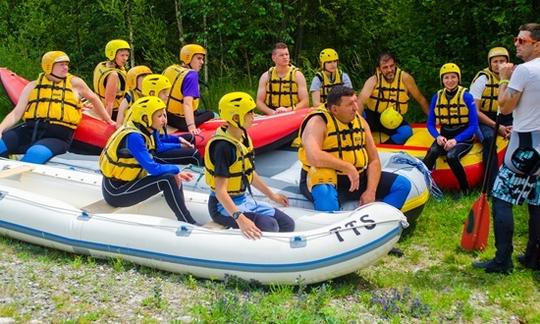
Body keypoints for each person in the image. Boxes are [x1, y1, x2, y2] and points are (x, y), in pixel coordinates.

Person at [474, 23, 540, 273]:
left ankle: (503, 259)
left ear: (536, 44)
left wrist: (504, 79)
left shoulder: (523, 71)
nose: (516, 44)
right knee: (536, 199)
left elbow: (504, 107)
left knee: (501, 195)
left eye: (522, 41)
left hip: (524, 141)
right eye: (516, 39)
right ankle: (534, 257)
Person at [298, 85, 412, 212]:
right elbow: (313, 156)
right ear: (335, 109)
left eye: (355, 102)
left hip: (357, 178)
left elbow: (374, 159)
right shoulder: (317, 122)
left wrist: (370, 191)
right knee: (325, 196)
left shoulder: (360, 121)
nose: (356, 108)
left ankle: (378, 219)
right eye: (350, 104)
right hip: (326, 178)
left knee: (402, 185)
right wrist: (347, 167)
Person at [204, 92, 294, 239]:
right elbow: (220, 191)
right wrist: (241, 219)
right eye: (249, 113)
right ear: (235, 118)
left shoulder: (243, 138)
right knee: (270, 226)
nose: (254, 115)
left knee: (287, 224)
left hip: (243, 199)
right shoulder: (223, 147)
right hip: (221, 207)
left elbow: (249, 173)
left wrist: (272, 195)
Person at [0, 51, 114, 164]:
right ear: (48, 66)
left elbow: (94, 99)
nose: (66, 68)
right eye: (61, 64)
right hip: (31, 130)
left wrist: (108, 120)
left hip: (58, 136)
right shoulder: (33, 86)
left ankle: (14, 177)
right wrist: (1, 128)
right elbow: (16, 113)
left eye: (67, 64)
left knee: (35, 154)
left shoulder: (75, 83)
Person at [99, 96, 197, 224]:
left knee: (171, 175)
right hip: (116, 192)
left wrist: (178, 143)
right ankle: (186, 221)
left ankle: (183, 213)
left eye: (164, 115)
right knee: (167, 179)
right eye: (159, 116)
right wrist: (176, 170)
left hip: (127, 183)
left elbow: (159, 145)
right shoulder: (134, 137)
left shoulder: (143, 128)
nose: (164, 119)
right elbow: (152, 168)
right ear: (145, 118)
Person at [423, 63, 479, 196]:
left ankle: (465, 190)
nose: (450, 80)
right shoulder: (437, 97)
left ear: (458, 78)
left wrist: (456, 140)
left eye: (453, 77)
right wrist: (437, 136)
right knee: (432, 152)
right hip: (444, 136)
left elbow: (474, 126)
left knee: (451, 156)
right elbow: (430, 124)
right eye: (446, 77)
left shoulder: (466, 96)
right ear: (442, 80)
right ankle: (423, 187)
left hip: (464, 137)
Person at [358, 53, 429, 144]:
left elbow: (421, 99)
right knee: (361, 116)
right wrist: (358, 124)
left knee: (406, 132)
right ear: (379, 69)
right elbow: (360, 102)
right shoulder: (373, 80)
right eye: (385, 67)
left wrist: (433, 121)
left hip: (394, 119)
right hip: (373, 116)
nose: (390, 70)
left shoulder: (405, 78)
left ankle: (386, 146)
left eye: (392, 66)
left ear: (395, 65)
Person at [470, 47, 513, 190]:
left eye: (502, 61)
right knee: (489, 139)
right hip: (484, 119)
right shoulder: (482, 79)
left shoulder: (514, 77)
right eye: (495, 61)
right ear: (490, 63)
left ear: (508, 62)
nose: (499, 64)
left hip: (508, 117)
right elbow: (474, 112)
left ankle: (519, 182)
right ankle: (491, 185)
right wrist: (497, 127)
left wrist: (516, 125)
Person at [141, 74, 201, 166]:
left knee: (190, 138)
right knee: (194, 154)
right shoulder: (148, 113)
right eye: (164, 92)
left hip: (156, 145)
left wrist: (179, 139)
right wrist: (180, 145)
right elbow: (158, 147)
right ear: (152, 93)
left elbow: (158, 138)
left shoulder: (155, 108)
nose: (167, 95)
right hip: (153, 154)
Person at [163, 44, 214, 134]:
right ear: (188, 58)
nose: (202, 62)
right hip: (181, 122)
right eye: (199, 58)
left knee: (200, 111)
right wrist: (191, 127)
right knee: (211, 113)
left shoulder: (170, 69)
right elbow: (187, 103)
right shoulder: (191, 75)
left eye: (202, 59)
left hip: (167, 116)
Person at [256, 42, 309, 115]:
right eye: (281, 55)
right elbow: (259, 102)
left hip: (291, 114)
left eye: (287, 54)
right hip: (272, 114)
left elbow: (305, 102)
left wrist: (287, 110)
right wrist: (272, 112)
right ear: (273, 58)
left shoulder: (298, 75)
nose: (285, 57)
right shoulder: (266, 76)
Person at [93, 39, 131, 120]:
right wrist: (107, 121)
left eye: (127, 55)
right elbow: (109, 104)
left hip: (99, 107)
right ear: (112, 54)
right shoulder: (113, 75)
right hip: (114, 114)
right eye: (122, 55)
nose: (125, 58)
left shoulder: (101, 65)